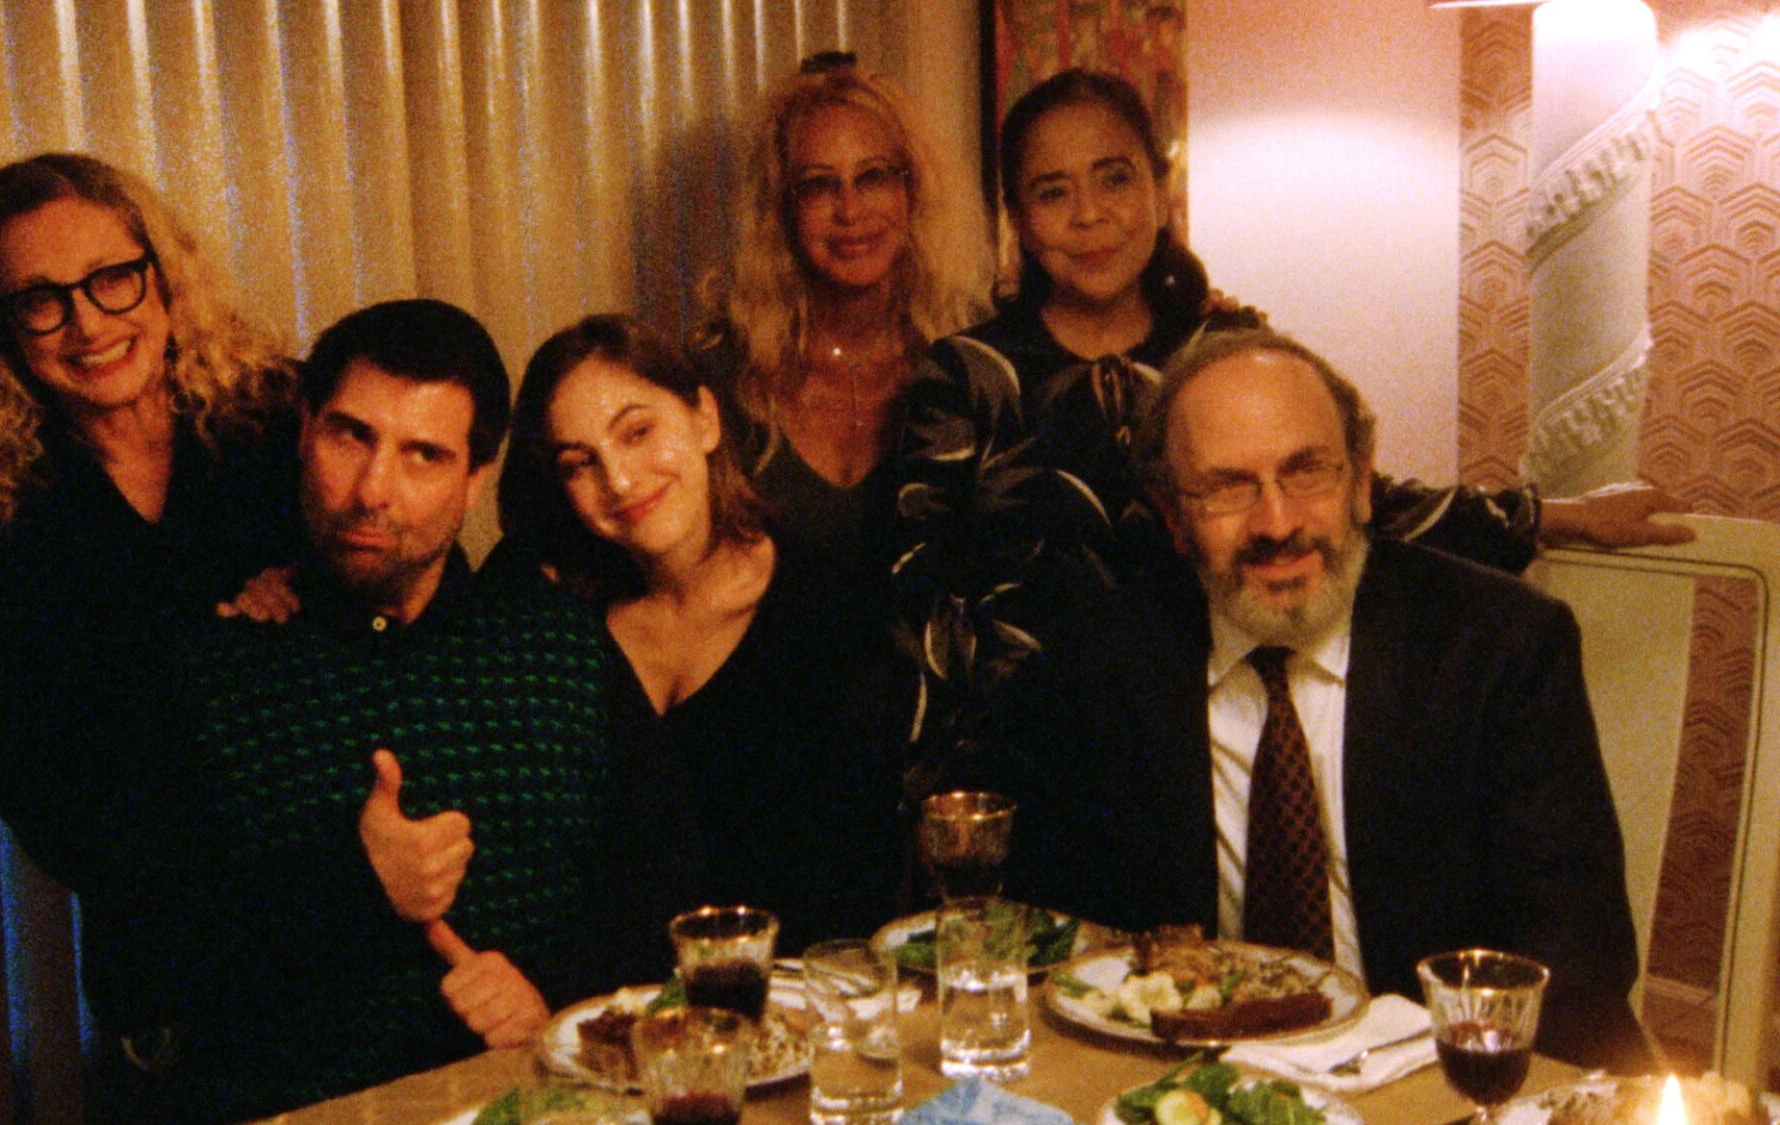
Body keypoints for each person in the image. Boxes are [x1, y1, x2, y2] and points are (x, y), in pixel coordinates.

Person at [892, 68, 1690, 783]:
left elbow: (1342, 500)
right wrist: (950, 785)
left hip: (1201, 748)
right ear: (1018, 219)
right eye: (1053, 190)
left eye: (1115, 177)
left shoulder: (1224, 349)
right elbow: (918, 590)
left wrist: (1559, 515)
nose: (1091, 214)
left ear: (1161, 189)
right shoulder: (967, 375)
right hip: (1019, 760)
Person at [990, 328, 1652, 1071]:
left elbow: (1578, 964)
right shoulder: (1096, 667)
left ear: (1363, 479)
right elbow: (1066, 955)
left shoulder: (1500, 647)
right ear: (1173, 516)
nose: (1277, 523)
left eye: (1308, 472)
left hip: (1444, 1081)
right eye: (1228, 487)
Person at [162, 300, 619, 1120]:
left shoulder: (560, 643)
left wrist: (550, 989)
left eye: (424, 455)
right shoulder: (217, 665)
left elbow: (663, 876)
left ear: (476, 477)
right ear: (304, 429)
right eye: (352, 436)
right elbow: (145, 964)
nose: (374, 490)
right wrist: (355, 883)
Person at [0, 153, 298, 1106]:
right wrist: (216, 655)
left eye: (110, 279)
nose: (88, 322)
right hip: (172, 989)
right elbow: (27, 773)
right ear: (2, 332)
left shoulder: (281, 418)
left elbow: (410, 616)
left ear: (162, 278)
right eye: (41, 300)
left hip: (367, 950)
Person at [497, 313, 903, 960]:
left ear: (705, 420)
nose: (620, 481)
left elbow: (864, 878)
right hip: (615, 1015)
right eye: (580, 464)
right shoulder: (560, 616)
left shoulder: (832, 604)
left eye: (637, 431)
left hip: (799, 1007)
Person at [695, 52, 987, 574]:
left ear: (911, 190)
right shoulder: (720, 375)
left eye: (873, 177)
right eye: (818, 184)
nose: (850, 211)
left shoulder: (976, 359)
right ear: (783, 209)